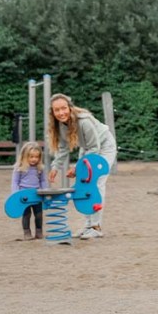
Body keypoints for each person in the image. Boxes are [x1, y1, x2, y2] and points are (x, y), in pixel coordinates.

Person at [47, 93, 117, 239]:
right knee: (82, 185)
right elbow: (63, 149)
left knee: (95, 184)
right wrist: (55, 167)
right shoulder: (61, 126)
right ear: (52, 113)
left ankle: (96, 227)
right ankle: (88, 226)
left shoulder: (84, 121)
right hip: (87, 149)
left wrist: (78, 168)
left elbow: (95, 147)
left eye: (63, 108)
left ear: (70, 108)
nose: (61, 113)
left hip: (103, 147)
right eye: (57, 110)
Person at [11, 141, 49, 240]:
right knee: (26, 215)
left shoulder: (40, 168)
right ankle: (27, 232)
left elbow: (43, 180)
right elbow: (15, 182)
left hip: (37, 194)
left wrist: (45, 192)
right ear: (24, 156)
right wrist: (15, 194)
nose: (34, 159)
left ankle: (39, 232)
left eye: (37, 157)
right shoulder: (19, 168)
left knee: (39, 214)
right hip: (24, 196)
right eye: (31, 157)